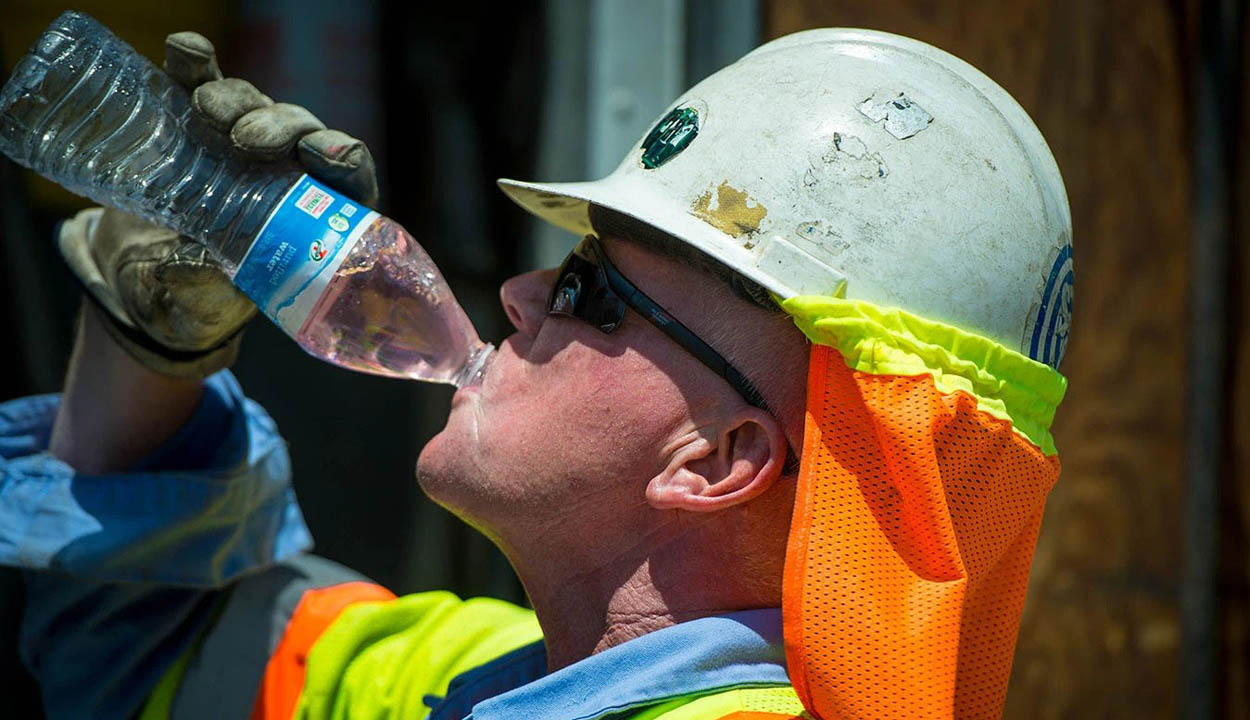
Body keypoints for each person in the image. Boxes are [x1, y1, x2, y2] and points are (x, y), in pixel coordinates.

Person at [1, 27, 1073, 720]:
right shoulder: (497, 670)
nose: (515, 295)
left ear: (719, 457)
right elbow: (146, 657)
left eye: (587, 292)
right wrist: (151, 344)